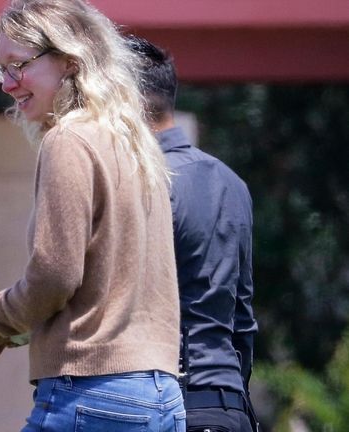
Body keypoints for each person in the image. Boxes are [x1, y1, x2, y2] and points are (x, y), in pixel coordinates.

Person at [0, 1, 185, 430]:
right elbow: (105, 291)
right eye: (0, 70)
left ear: (69, 60)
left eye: (18, 65)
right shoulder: (133, 140)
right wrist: (20, 326)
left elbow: (55, 276)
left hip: (91, 394)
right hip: (162, 397)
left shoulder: (69, 139)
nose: (7, 85)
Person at [127, 35, 259, 431]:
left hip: (170, 402)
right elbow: (243, 316)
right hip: (230, 403)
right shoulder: (233, 183)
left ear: (126, 102)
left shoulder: (144, 182)